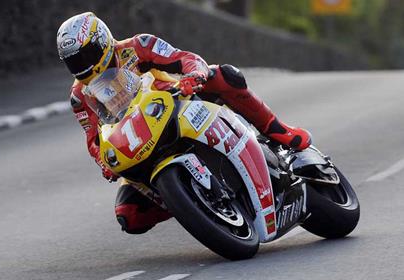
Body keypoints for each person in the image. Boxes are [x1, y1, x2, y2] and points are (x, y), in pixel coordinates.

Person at [56, 12, 311, 234]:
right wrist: (104, 163)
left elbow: (186, 58)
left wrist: (194, 75)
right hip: (139, 141)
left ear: (103, 42)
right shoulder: (80, 96)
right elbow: (93, 139)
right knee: (129, 215)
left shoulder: (138, 46)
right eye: (74, 61)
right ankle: (190, 202)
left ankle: (277, 130)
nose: (83, 65)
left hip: (177, 104)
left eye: (86, 55)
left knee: (224, 75)